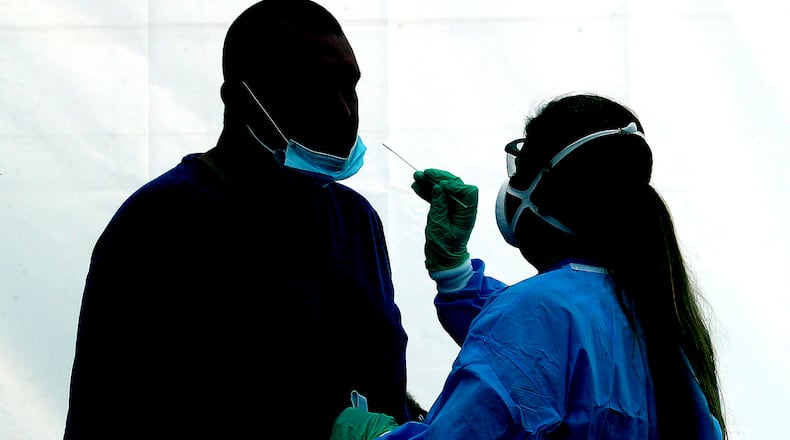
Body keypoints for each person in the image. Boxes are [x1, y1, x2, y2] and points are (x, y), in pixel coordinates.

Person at [63, 1, 423, 438]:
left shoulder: (355, 221)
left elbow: (371, 375)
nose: (344, 111)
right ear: (240, 100)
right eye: (314, 87)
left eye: (349, 88)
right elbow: (109, 413)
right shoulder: (161, 224)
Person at [330, 93, 727, 439]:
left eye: (520, 171)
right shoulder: (653, 309)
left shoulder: (539, 312)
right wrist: (455, 272)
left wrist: (375, 436)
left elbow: (527, 352)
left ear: (553, 188)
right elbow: (546, 354)